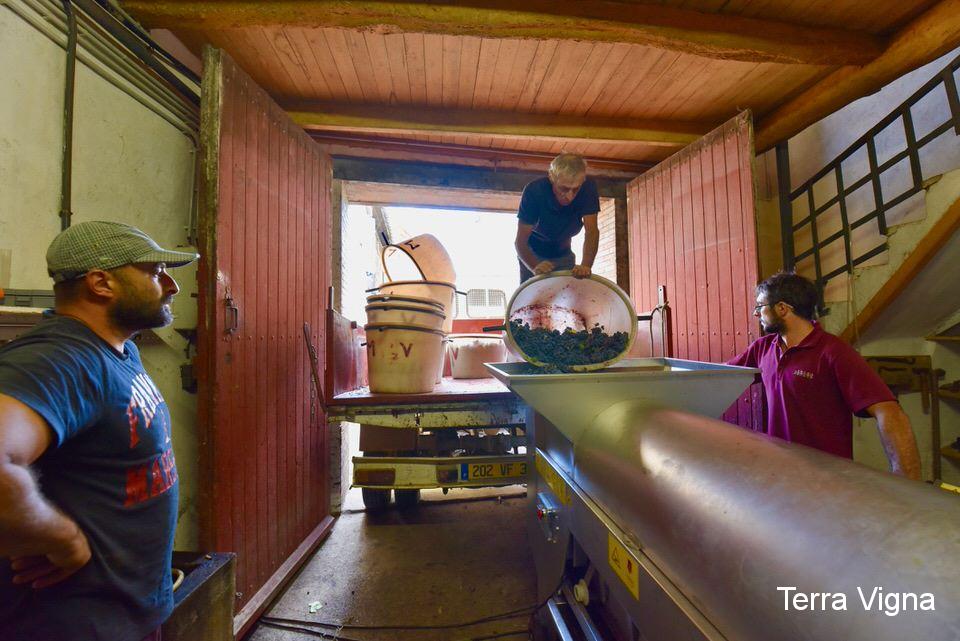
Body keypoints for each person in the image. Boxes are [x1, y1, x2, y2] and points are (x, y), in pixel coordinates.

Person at [0, 221, 198, 641]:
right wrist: (63, 536)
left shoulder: (115, 347)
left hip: (127, 615)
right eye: (155, 270)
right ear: (101, 283)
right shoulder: (59, 358)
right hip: (72, 624)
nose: (171, 285)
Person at [728, 272, 921, 479]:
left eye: (760, 306)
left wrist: (908, 481)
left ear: (782, 308)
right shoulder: (762, 348)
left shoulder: (833, 352)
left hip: (827, 480)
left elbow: (889, 411)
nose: (756, 313)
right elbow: (719, 375)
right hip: (780, 473)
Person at [515, 153, 600, 283]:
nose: (570, 196)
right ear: (551, 178)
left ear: (583, 181)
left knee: (567, 297)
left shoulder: (588, 189)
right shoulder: (534, 192)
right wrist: (535, 267)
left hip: (564, 253)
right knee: (533, 299)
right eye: (564, 189)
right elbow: (520, 242)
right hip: (533, 253)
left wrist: (586, 265)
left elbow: (592, 232)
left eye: (576, 189)